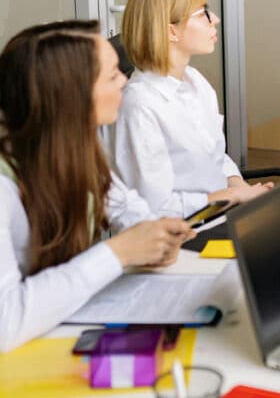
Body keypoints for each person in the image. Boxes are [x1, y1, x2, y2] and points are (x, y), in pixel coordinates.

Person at [0, 21, 194, 352]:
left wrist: (152, 236)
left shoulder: (74, 145)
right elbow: (6, 322)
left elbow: (119, 202)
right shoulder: (4, 185)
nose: (124, 80)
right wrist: (118, 252)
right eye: (111, 75)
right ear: (70, 97)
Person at [112, 0, 270, 218]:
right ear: (171, 31)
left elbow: (216, 158)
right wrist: (230, 197)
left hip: (220, 214)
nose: (215, 19)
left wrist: (243, 191)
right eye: (203, 13)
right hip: (179, 234)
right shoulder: (139, 105)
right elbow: (154, 208)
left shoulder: (195, 81)